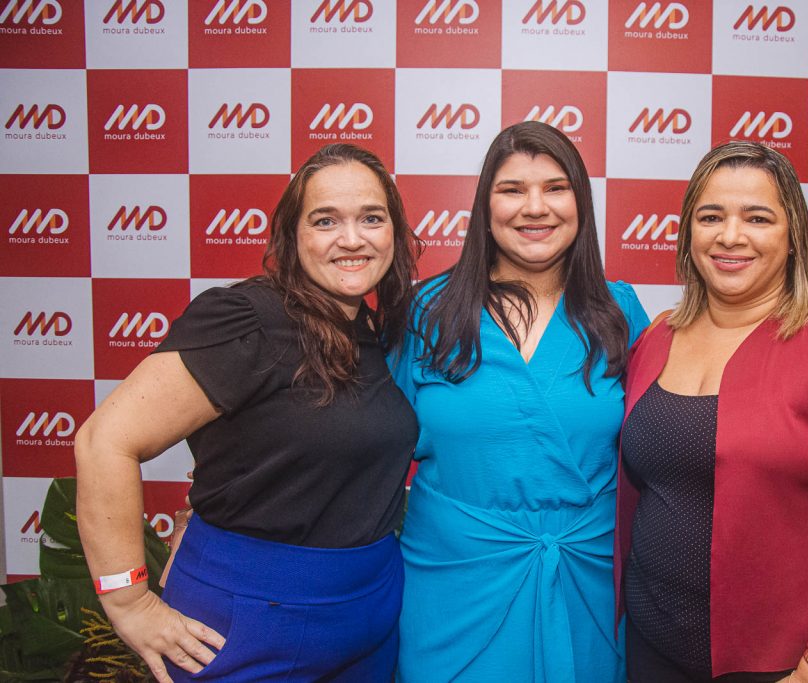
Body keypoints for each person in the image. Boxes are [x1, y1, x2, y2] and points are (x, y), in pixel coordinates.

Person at [75, 144, 420, 682]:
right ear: (292, 235)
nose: (352, 239)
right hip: (254, 617)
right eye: (325, 220)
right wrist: (129, 603)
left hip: (369, 609)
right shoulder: (246, 318)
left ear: (393, 233)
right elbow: (105, 441)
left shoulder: (371, 329)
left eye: (371, 218)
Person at [615, 141, 808, 683]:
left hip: (781, 666)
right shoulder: (658, 337)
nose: (731, 236)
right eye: (711, 216)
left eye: (758, 217)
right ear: (689, 232)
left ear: (792, 235)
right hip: (651, 646)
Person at [390, 121, 650, 681]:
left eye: (556, 188)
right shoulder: (426, 312)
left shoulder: (620, 312)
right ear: (485, 206)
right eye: (512, 190)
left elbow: (661, 451)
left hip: (591, 579)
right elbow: (369, 440)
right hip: (452, 582)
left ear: (581, 202)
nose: (536, 207)